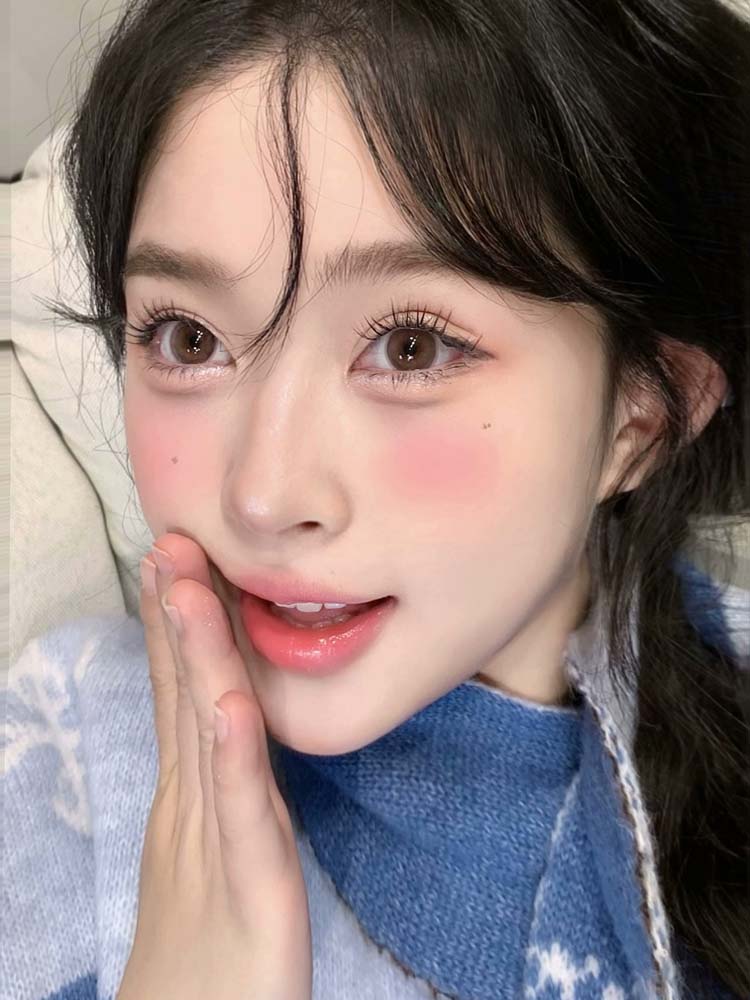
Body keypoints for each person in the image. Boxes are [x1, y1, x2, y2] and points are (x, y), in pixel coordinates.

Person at [3, 0, 749, 998]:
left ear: (639, 418)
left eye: (410, 347)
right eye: (188, 337)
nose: (263, 496)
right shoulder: (53, 764)